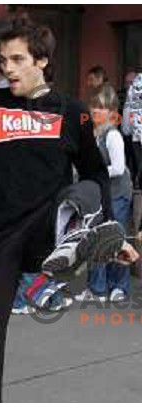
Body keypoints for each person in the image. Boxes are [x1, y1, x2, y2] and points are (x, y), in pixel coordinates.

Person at [0, 14, 139, 403]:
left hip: (45, 229)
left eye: (18, 60)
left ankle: (82, 240)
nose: (8, 68)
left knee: (82, 190)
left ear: (42, 61)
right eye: (4, 60)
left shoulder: (72, 112)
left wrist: (108, 228)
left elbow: (98, 175)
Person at [76, 86, 132, 303]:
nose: (95, 111)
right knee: (95, 238)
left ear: (111, 111)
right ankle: (96, 288)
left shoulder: (113, 135)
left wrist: (94, 172)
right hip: (99, 195)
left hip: (117, 194)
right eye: (93, 106)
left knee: (116, 239)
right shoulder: (93, 134)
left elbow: (118, 168)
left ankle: (119, 286)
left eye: (101, 107)